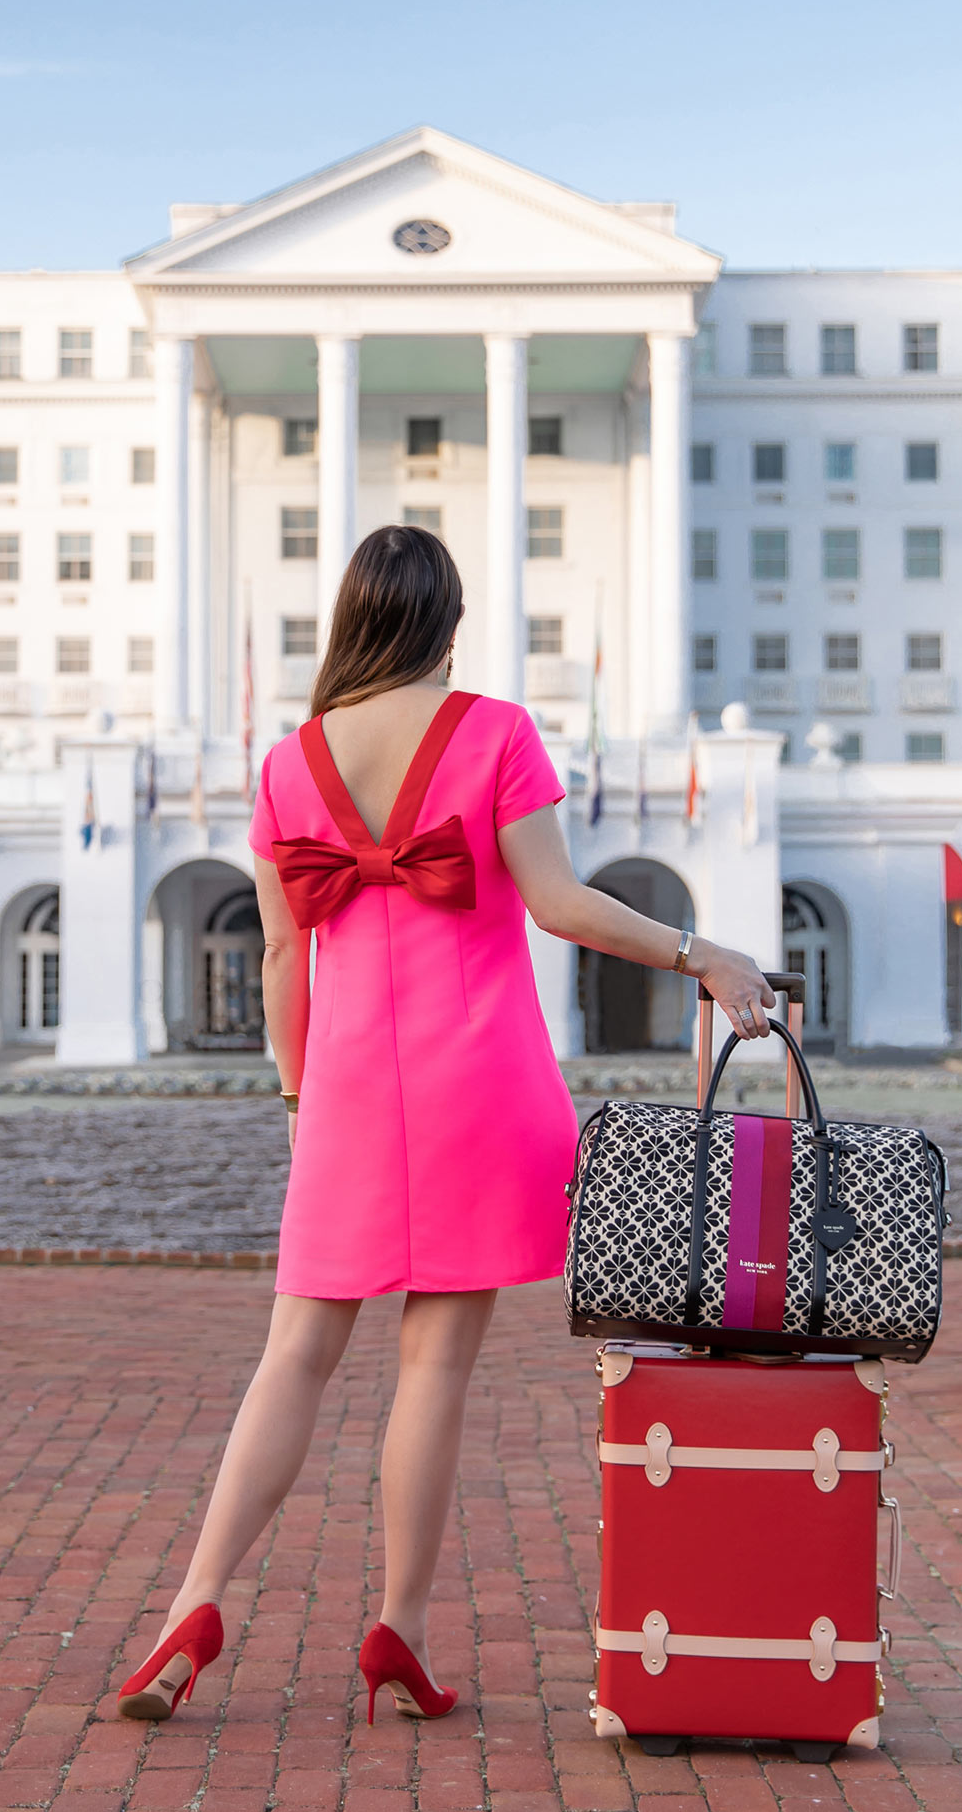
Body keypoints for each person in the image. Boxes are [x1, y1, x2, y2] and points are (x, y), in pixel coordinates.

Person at [112, 525, 776, 1727]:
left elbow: (278, 956)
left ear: (350, 621)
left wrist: (300, 1089)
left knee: (294, 1356)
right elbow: (562, 904)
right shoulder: (494, 732)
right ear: (447, 623)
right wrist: (702, 951)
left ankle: (192, 1607)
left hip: (350, 1089)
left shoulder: (287, 766)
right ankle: (397, 1629)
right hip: (481, 1081)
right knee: (434, 1364)